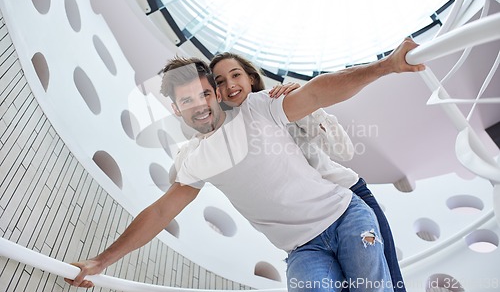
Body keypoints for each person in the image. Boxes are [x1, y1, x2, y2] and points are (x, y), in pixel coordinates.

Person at [65, 38, 424, 291]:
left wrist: (387, 66)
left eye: (205, 93)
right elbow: (160, 213)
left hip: (346, 215)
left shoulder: (258, 106)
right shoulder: (193, 159)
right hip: (303, 249)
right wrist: (101, 261)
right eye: (187, 100)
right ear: (176, 110)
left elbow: (317, 92)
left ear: (217, 94)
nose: (200, 104)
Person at [208, 52, 406, 292]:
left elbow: (343, 150)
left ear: (251, 78)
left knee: (385, 283)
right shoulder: (231, 136)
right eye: (219, 81)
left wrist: (308, 105)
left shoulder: (280, 105)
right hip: (309, 231)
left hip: (347, 199)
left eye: (235, 74)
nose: (229, 84)